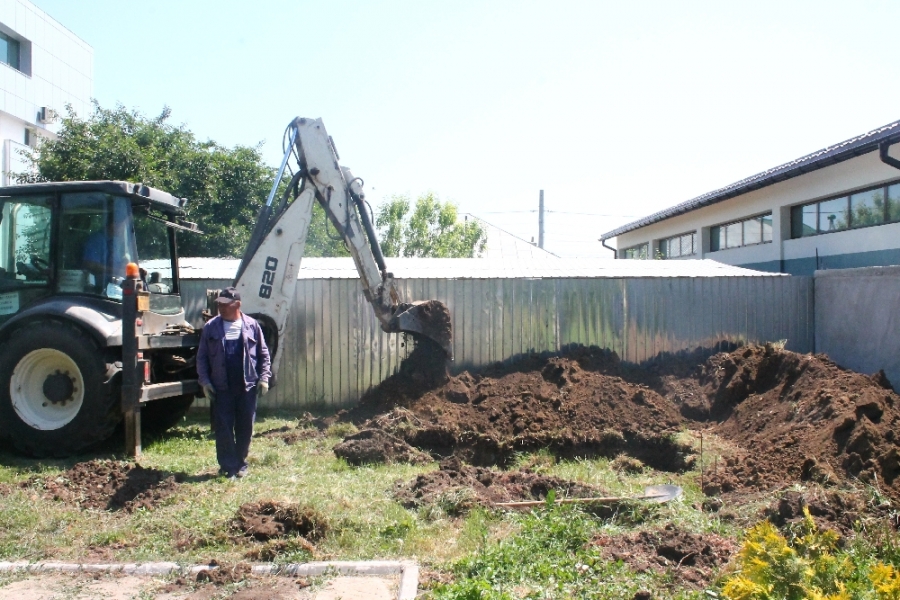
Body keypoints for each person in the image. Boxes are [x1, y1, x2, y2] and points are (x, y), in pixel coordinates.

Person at [196, 287, 271, 479]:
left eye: (224, 304)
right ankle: (227, 467)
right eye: (219, 304)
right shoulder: (211, 327)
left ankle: (241, 464)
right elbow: (202, 357)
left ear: (237, 304)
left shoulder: (252, 325)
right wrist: (205, 382)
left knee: (245, 426)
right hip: (222, 387)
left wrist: (264, 378)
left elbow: (263, 354)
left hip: (247, 386)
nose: (220, 307)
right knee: (224, 428)